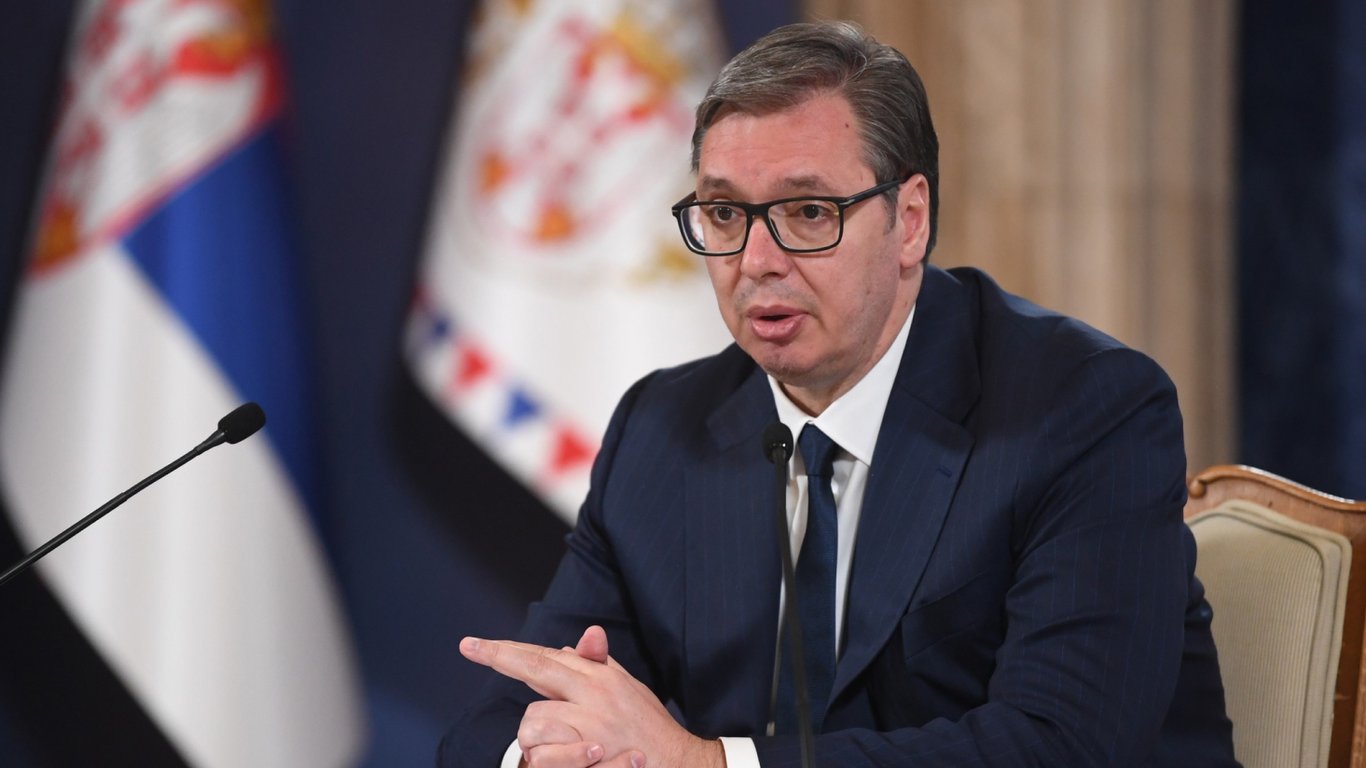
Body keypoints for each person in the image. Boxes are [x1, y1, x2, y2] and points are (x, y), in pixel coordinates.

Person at [440, 20, 1238, 768]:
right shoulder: (664, 430)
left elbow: (1059, 744)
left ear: (910, 221)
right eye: (724, 213)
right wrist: (549, 751)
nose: (756, 261)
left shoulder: (1082, 410)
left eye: (808, 212)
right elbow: (505, 720)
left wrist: (705, 762)